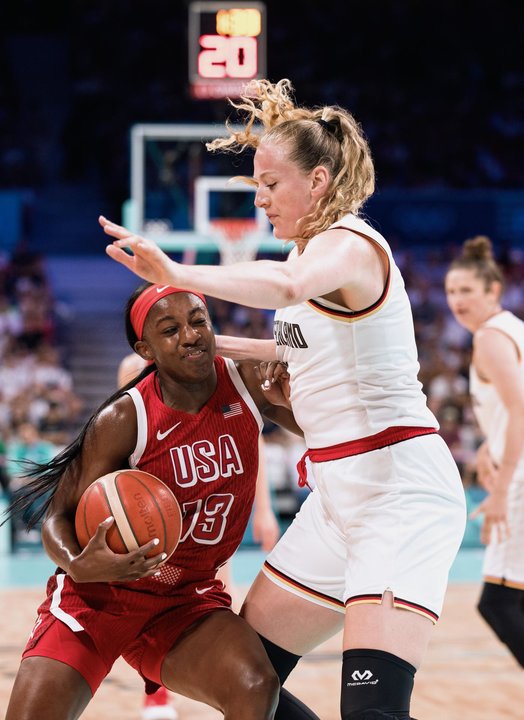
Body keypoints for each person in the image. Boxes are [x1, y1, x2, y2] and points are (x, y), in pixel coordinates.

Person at [101, 78, 467, 720]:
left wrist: (179, 275)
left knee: (373, 711)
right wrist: (202, 350)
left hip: (397, 492)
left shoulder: (350, 245)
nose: (260, 197)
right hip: (335, 497)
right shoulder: (310, 258)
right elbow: (291, 349)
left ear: (319, 181)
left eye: (270, 183)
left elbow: (288, 281)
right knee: (244, 679)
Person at [3, 282, 307, 720]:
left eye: (198, 321)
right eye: (170, 329)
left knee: (256, 686)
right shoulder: (126, 417)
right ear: (145, 350)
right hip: (98, 599)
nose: (189, 335)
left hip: (186, 600)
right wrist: (77, 562)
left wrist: (298, 393)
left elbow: (330, 433)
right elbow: (58, 516)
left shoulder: (248, 385)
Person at [117, 351, 281, 720]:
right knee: (153, 599)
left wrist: (265, 508)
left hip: (213, 501)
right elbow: (121, 437)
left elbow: (251, 437)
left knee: (222, 595)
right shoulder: (132, 369)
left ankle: (230, 683)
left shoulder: (219, 368)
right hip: (156, 507)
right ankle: (156, 693)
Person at [445, 235, 524, 667]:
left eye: (467, 291)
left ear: (492, 291)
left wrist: (500, 490)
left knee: (498, 604)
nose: (457, 300)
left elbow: (520, 408)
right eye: (451, 291)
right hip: (515, 467)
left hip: (519, 481)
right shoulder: (512, 327)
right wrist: (490, 447)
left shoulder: (492, 338)